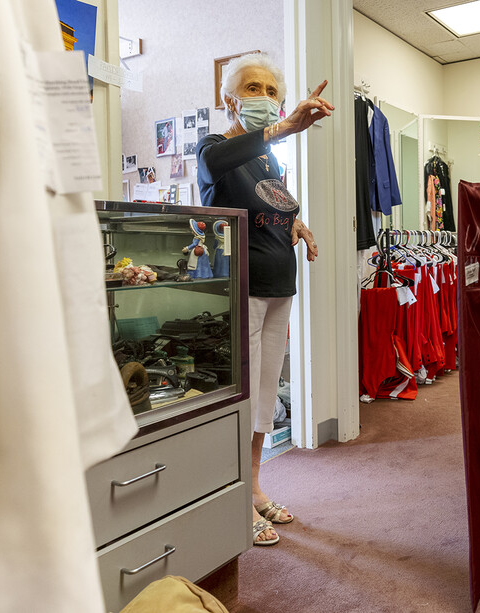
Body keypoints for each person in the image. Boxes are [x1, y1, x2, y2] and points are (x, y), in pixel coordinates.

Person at [196, 52, 331, 547]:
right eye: (254, 89)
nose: (266, 99)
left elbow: (267, 205)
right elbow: (214, 166)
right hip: (242, 287)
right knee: (242, 395)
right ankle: (231, 497)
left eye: (272, 91)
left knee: (265, 395)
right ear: (230, 99)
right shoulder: (215, 147)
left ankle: (253, 488)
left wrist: (295, 222)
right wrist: (285, 126)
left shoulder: (267, 159)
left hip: (281, 284)